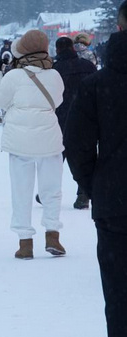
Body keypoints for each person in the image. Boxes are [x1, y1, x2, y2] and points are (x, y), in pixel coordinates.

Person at [65, 2, 127, 337]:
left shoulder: (97, 85)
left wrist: (96, 187)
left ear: (118, 27)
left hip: (117, 203)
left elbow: (78, 146)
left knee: (120, 297)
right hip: (114, 199)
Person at [0, 29, 65, 259]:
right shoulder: (55, 75)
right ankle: (53, 235)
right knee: (51, 190)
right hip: (50, 139)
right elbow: (57, 101)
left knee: (21, 190)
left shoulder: (13, 76)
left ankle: (25, 242)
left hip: (20, 142)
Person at [52, 37, 97, 209]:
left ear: (57, 50)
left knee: (56, 159)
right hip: (86, 118)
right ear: (73, 48)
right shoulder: (88, 66)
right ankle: (83, 193)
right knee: (84, 157)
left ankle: (50, 193)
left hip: (60, 119)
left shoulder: (54, 70)